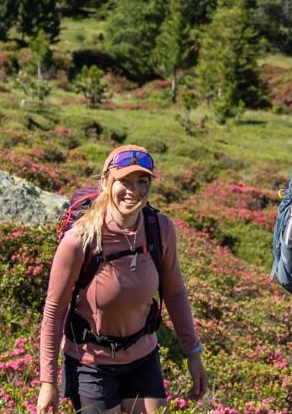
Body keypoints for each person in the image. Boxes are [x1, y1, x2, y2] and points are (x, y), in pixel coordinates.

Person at [37, 145, 208, 413]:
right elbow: (54, 309)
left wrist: (193, 353)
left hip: (143, 357)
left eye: (143, 181)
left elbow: (175, 293)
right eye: (124, 181)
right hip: (90, 363)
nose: (134, 190)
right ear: (105, 182)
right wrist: (48, 381)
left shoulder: (159, 229)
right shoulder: (80, 240)